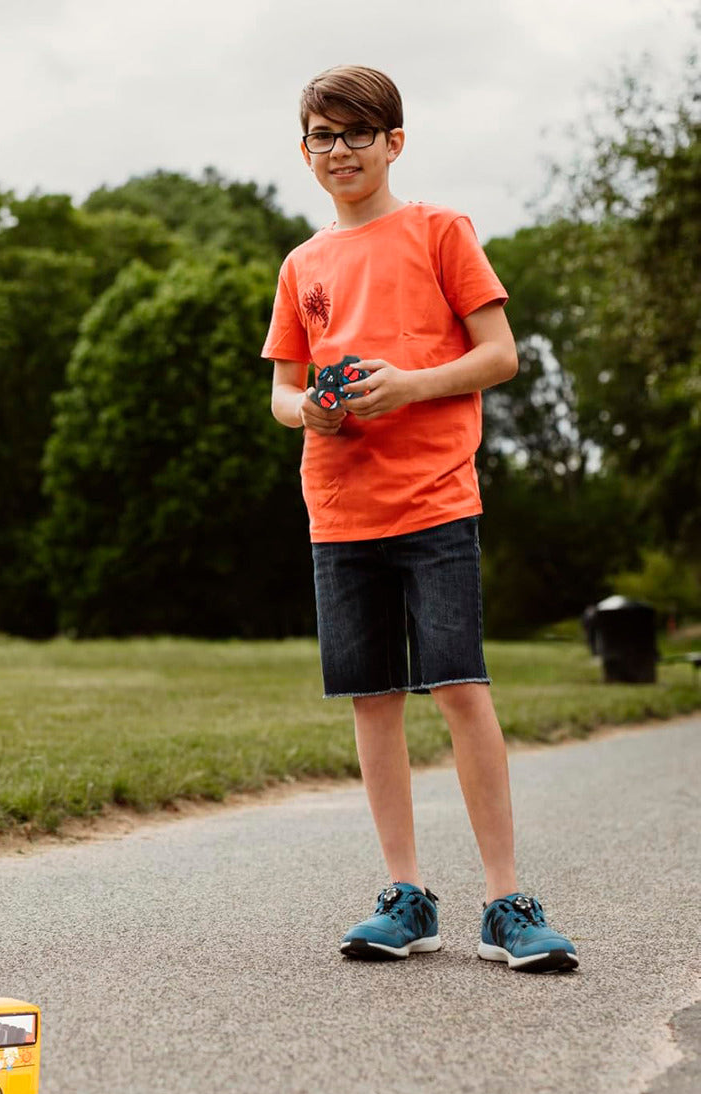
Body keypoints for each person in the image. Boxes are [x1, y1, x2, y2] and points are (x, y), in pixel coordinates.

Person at [261, 64, 579, 973]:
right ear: (306, 152)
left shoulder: (441, 231)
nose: (340, 151)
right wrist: (308, 412)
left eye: (358, 133)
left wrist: (409, 386)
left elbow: (500, 355)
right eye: (323, 136)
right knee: (373, 700)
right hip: (339, 505)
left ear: (394, 142)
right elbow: (282, 388)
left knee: (460, 688)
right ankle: (405, 897)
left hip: (435, 497)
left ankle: (506, 901)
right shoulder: (302, 265)